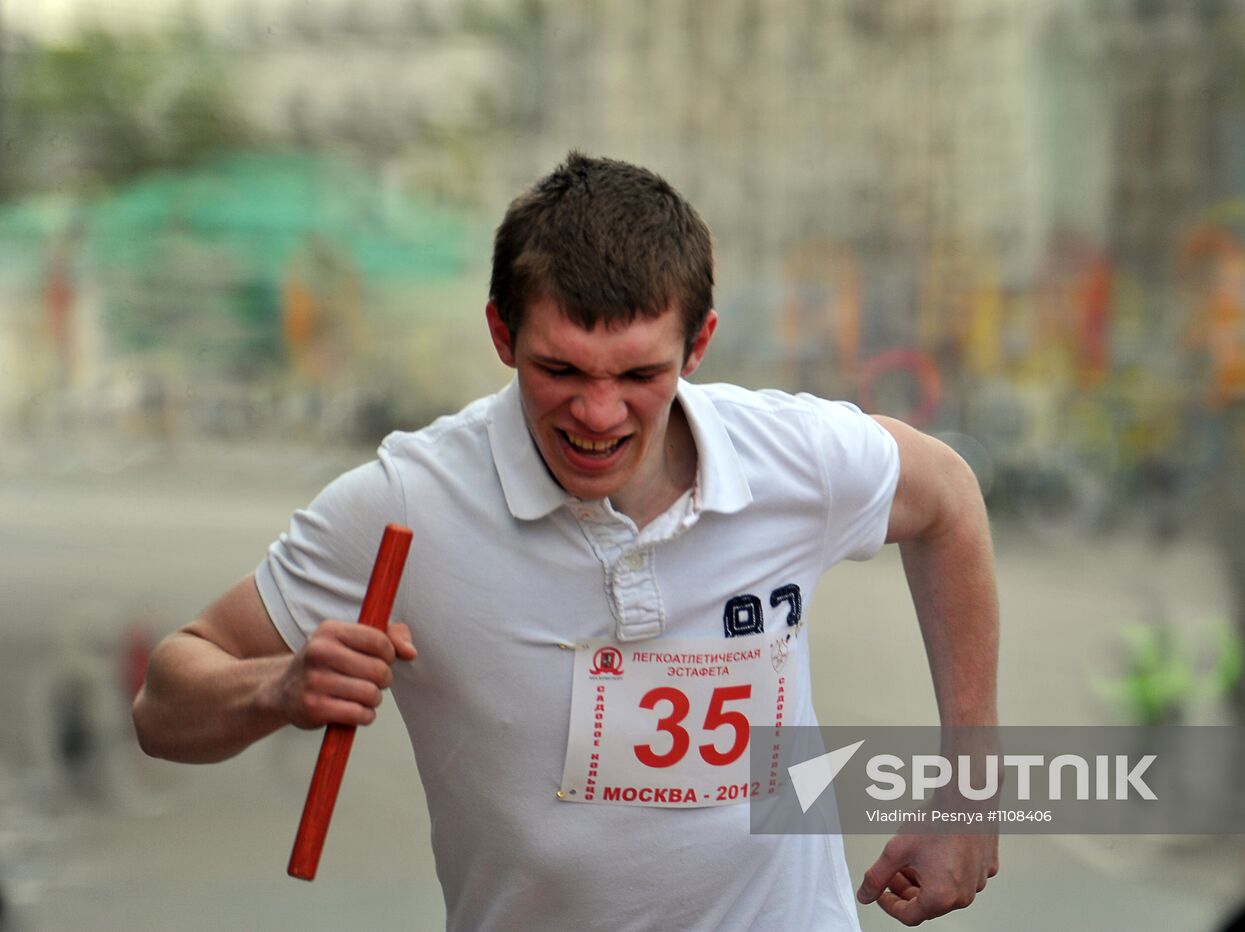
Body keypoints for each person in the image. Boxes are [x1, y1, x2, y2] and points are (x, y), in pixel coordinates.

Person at [132, 152, 1000, 929]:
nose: (597, 413)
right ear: (502, 335)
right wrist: (275, 688)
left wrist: (971, 790)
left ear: (698, 344)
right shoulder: (406, 504)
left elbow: (950, 500)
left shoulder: (793, 459)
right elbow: (164, 704)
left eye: (639, 374)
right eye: (560, 370)